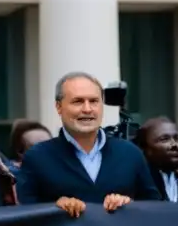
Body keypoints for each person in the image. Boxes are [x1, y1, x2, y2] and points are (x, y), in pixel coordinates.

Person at [17, 72, 159, 216]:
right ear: (58, 107)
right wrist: (55, 207)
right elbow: (25, 217)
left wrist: (129, 204)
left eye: (94, 101)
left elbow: (154, 210)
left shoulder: (130, 154)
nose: (87, 109)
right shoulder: (37, 158)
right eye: (78, 101)